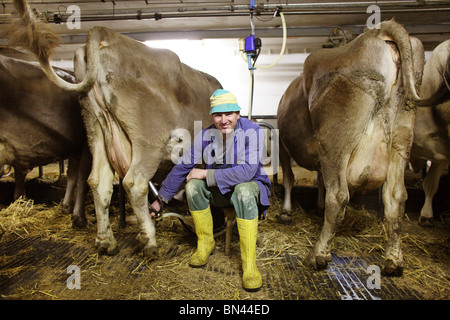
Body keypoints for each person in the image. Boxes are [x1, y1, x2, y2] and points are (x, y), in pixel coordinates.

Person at [150, 89, 271, 291]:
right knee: (193, 186)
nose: (223, 120)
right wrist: (160, 199)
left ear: (238, 114)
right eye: (218, 115)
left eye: (229, 114)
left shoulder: (253, 132)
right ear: (212, 117)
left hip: (248, 189)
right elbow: (183, 166)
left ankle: (249, 264)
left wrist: (206, 174)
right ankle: (206, 243)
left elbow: (247, 172)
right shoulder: (206, 135)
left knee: (243, 190)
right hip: (221, 191)